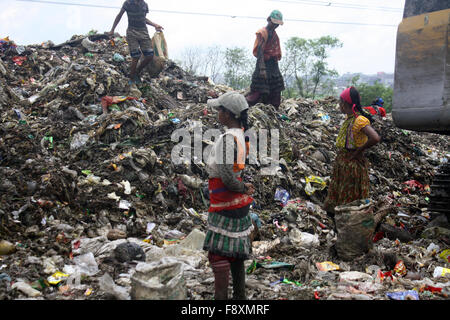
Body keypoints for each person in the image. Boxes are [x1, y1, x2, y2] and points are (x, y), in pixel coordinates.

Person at [203, 91, 255, 300]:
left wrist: (242, 188)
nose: (217, 112)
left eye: (220, 109)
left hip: (226, 201)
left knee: (217, 254)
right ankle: (240, 297)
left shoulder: (227, 139)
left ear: (228, 114)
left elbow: (226, 176)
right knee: (235, 253)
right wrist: (243, 188)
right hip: (237, 202)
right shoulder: (241, 134)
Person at [323, 86, 381, 216]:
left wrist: (357, 152)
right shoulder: (349, 119)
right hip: (343, 163)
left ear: (344, 104)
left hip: (352, 165)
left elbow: (375, 138)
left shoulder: (359, 120)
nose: (339, 106)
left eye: (340, 103)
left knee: (350, 195)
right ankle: (339, 220)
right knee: (342, 192)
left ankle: (349, 221)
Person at [108, 0, 163, 85]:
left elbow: (143, 18)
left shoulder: (144, 5)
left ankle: (137, 71)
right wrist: (112, 29)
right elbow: (119, 16)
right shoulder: (128, 3)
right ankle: (132, 77)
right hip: (132, 31)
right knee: (136, 55)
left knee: (150, 55)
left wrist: (155, 25)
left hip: (143, 32)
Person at [245, 10, 285, 109]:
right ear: (269, 20)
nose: (275, 25)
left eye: (277, 24)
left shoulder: (274, 35)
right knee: (259, 89)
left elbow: (275, 52)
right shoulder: (262, 33)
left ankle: (273, 110)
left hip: (273, 65)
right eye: (274, 23)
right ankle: (246, 107)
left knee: (276, 89)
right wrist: (262, 69)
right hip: (263, 63)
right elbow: (260, 52)